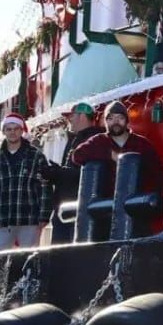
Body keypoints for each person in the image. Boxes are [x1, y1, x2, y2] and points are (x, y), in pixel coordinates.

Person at [0, 113, 53, 250]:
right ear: (4, 131)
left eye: (16, 128)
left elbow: (45, 187)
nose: (12, 132)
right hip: (0, 218)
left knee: (30, 259)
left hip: (29, 218)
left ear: (22, 130)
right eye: (9, 129)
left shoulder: (36, 156)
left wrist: (44, 215)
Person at [71, 101, 163, 199]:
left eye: (120, 118)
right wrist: (110, 155)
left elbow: (161, 178)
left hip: (135, 206)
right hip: (106, 206)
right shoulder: (99, 141)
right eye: (111, 118)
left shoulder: (141, 144)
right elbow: (77, 155)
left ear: (126, 121)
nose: (116, 122)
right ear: (105, 122)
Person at [39, 102, 101, 244]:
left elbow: (86, 174)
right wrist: (54, 173)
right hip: (67, 208)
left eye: (72, 116)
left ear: (82, 116)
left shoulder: (93, 140)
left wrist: (57, 172)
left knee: (66, 254)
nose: (70, 120)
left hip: (77, 210)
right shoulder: (76, 139)